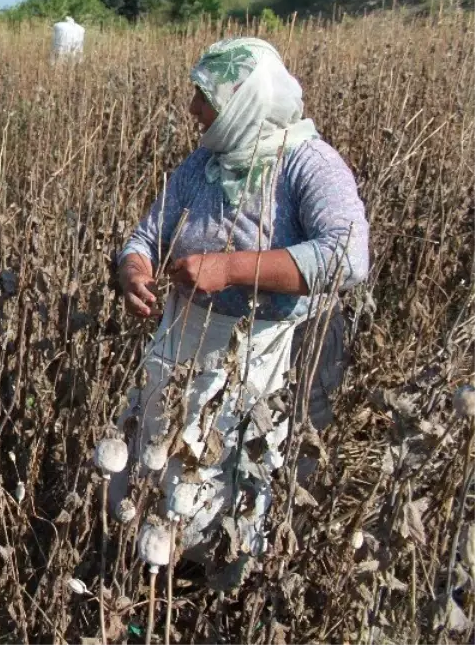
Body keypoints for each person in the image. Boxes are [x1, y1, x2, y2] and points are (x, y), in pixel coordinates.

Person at [114, 36, 369, 564]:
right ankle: (164, 567)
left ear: (244, 102)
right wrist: (133, 270)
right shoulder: (203, 163)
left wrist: (229, 268)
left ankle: (225, 574)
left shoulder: (310, 164)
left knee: (245, 467)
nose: (193, 111)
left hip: (276, 347)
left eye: (206, 99)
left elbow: (347, 259)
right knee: (170, 458)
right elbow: (146, 237)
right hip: (189, 336)